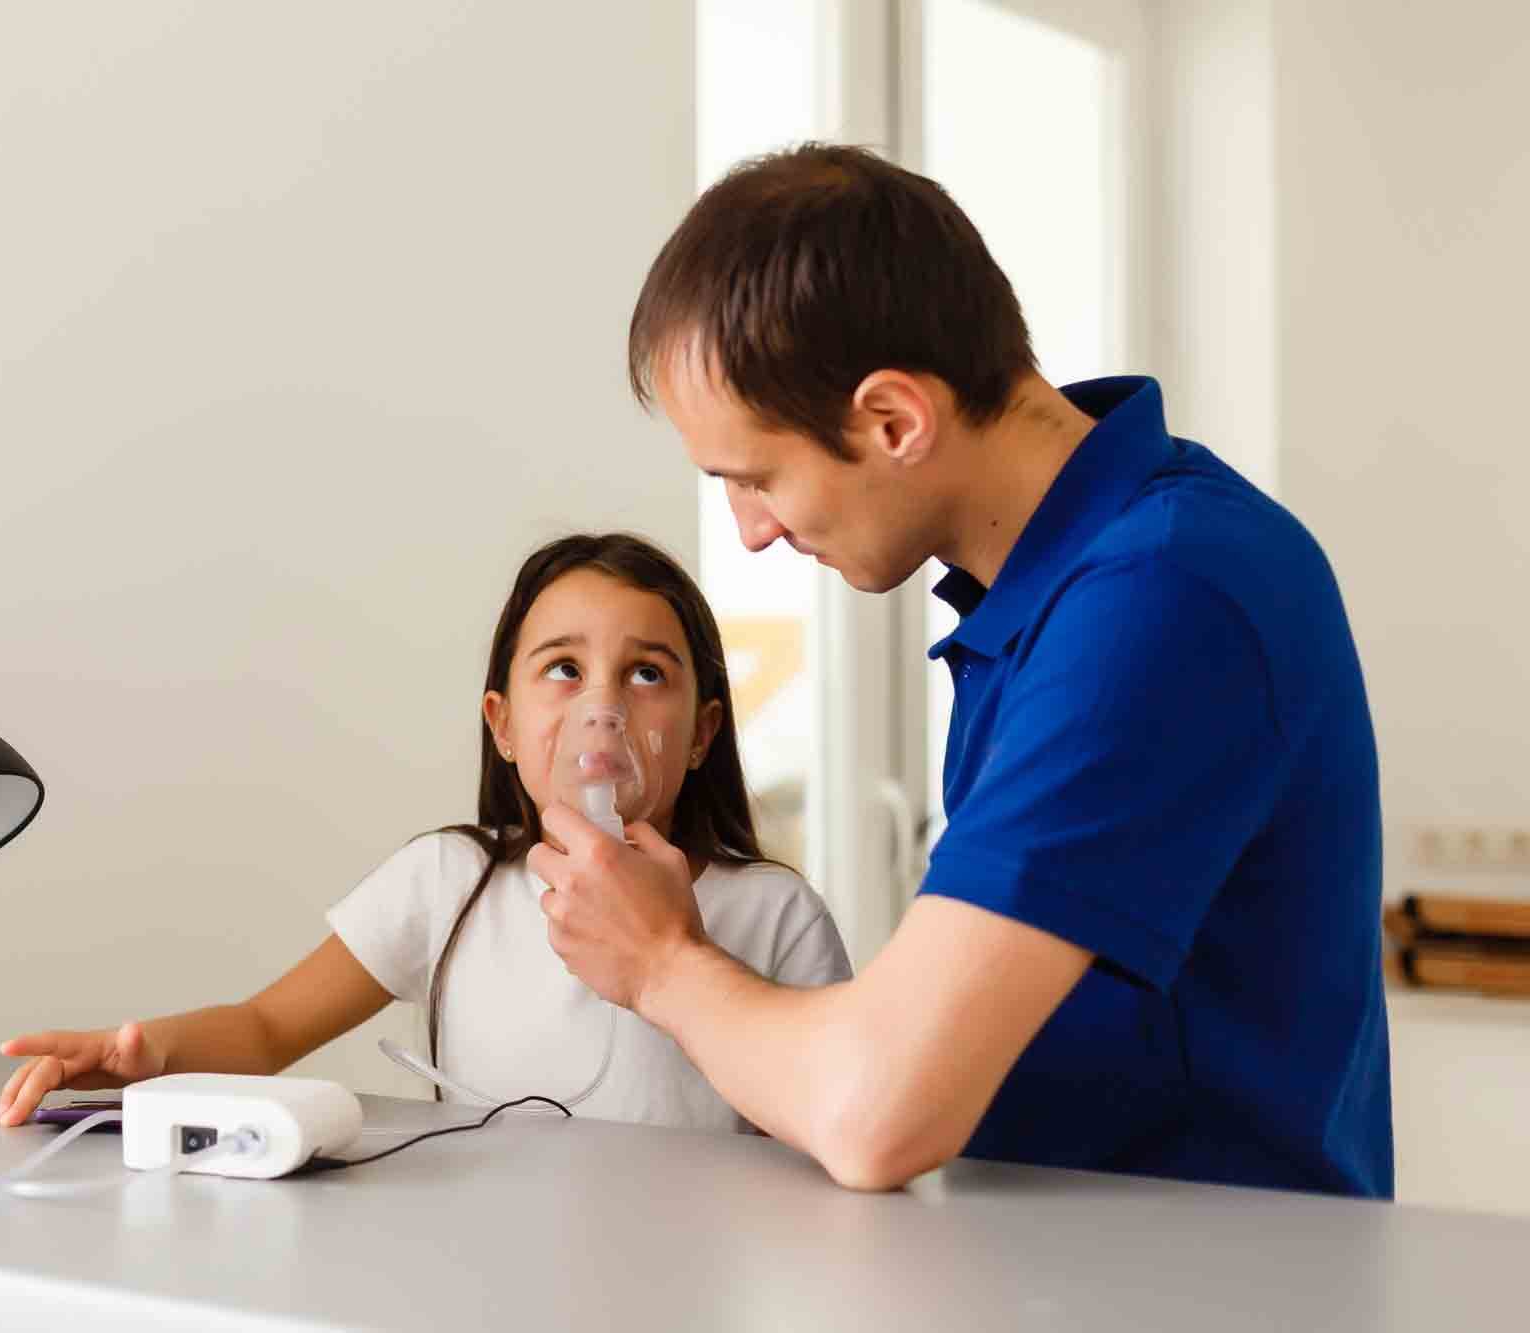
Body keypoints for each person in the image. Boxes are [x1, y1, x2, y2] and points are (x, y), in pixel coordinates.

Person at [529, 144, 1391, 1197]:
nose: (749, 532)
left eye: (755, 477)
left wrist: (661, 962)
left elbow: (878, 1110)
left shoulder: (1163, 594)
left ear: (893, 420)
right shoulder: (1054, 595)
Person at [0, 532, 850, 1132]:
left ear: (701, 733)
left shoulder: (773, 915)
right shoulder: (448, 882)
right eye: (564, 668)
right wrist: (143, 1057)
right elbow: (264, 1028)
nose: (604, 707)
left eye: (645, 672)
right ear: (503, 723)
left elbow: (830, 1123)